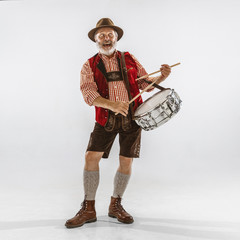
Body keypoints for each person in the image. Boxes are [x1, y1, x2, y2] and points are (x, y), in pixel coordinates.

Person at [65, 18, 171, 228]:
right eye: (101, 36)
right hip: (106, 118)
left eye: (109, 35)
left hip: (132, 117)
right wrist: (111, 105)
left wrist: (161, 78)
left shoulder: (129, 58)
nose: (106, 39)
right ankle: (88, 208)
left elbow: (144, 83)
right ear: (95, 40)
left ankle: (116, 205)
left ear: (116, 37)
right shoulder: (90, 64)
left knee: (126, 160)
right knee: (91, 157)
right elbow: (88, 93)